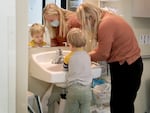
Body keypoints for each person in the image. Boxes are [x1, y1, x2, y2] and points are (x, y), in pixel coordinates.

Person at [76, 3, 143, 113]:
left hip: (127, 67)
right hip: (129, 65)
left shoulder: (105, 24)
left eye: (85, 22)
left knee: (121, 105)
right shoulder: (109, 17)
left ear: (90, 17)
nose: (87, 26)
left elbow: (103, 54)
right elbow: (102, 48)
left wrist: (83, 57)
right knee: (122, 104)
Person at [63, 28, 92, 113]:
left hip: (74, 90)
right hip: (87, 90)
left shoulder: (68, 57)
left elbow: (65, 68)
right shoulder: (87, 55)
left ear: (70, 44)